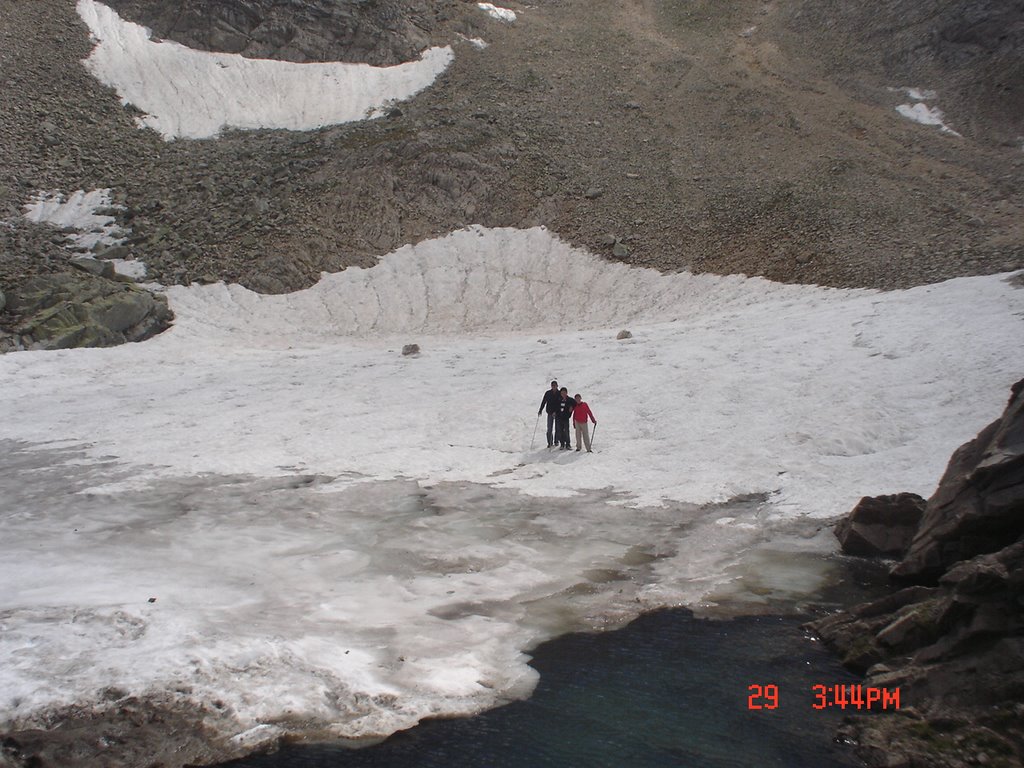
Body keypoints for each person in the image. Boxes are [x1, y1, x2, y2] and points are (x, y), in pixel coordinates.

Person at [537, 380, 561, 449]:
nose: (554, 387)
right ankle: (550, 442)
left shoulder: (559, 393)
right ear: (551, 386)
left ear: (557, 386)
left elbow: (560, 404)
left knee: (557, 428)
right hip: (550, 412)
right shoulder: (548, 393)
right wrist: (540, 410)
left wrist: (556, 412)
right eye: (552, 386)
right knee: (549, 428)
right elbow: (544, 402)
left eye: (555, 386)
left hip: (557, 413)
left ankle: (556, 441)